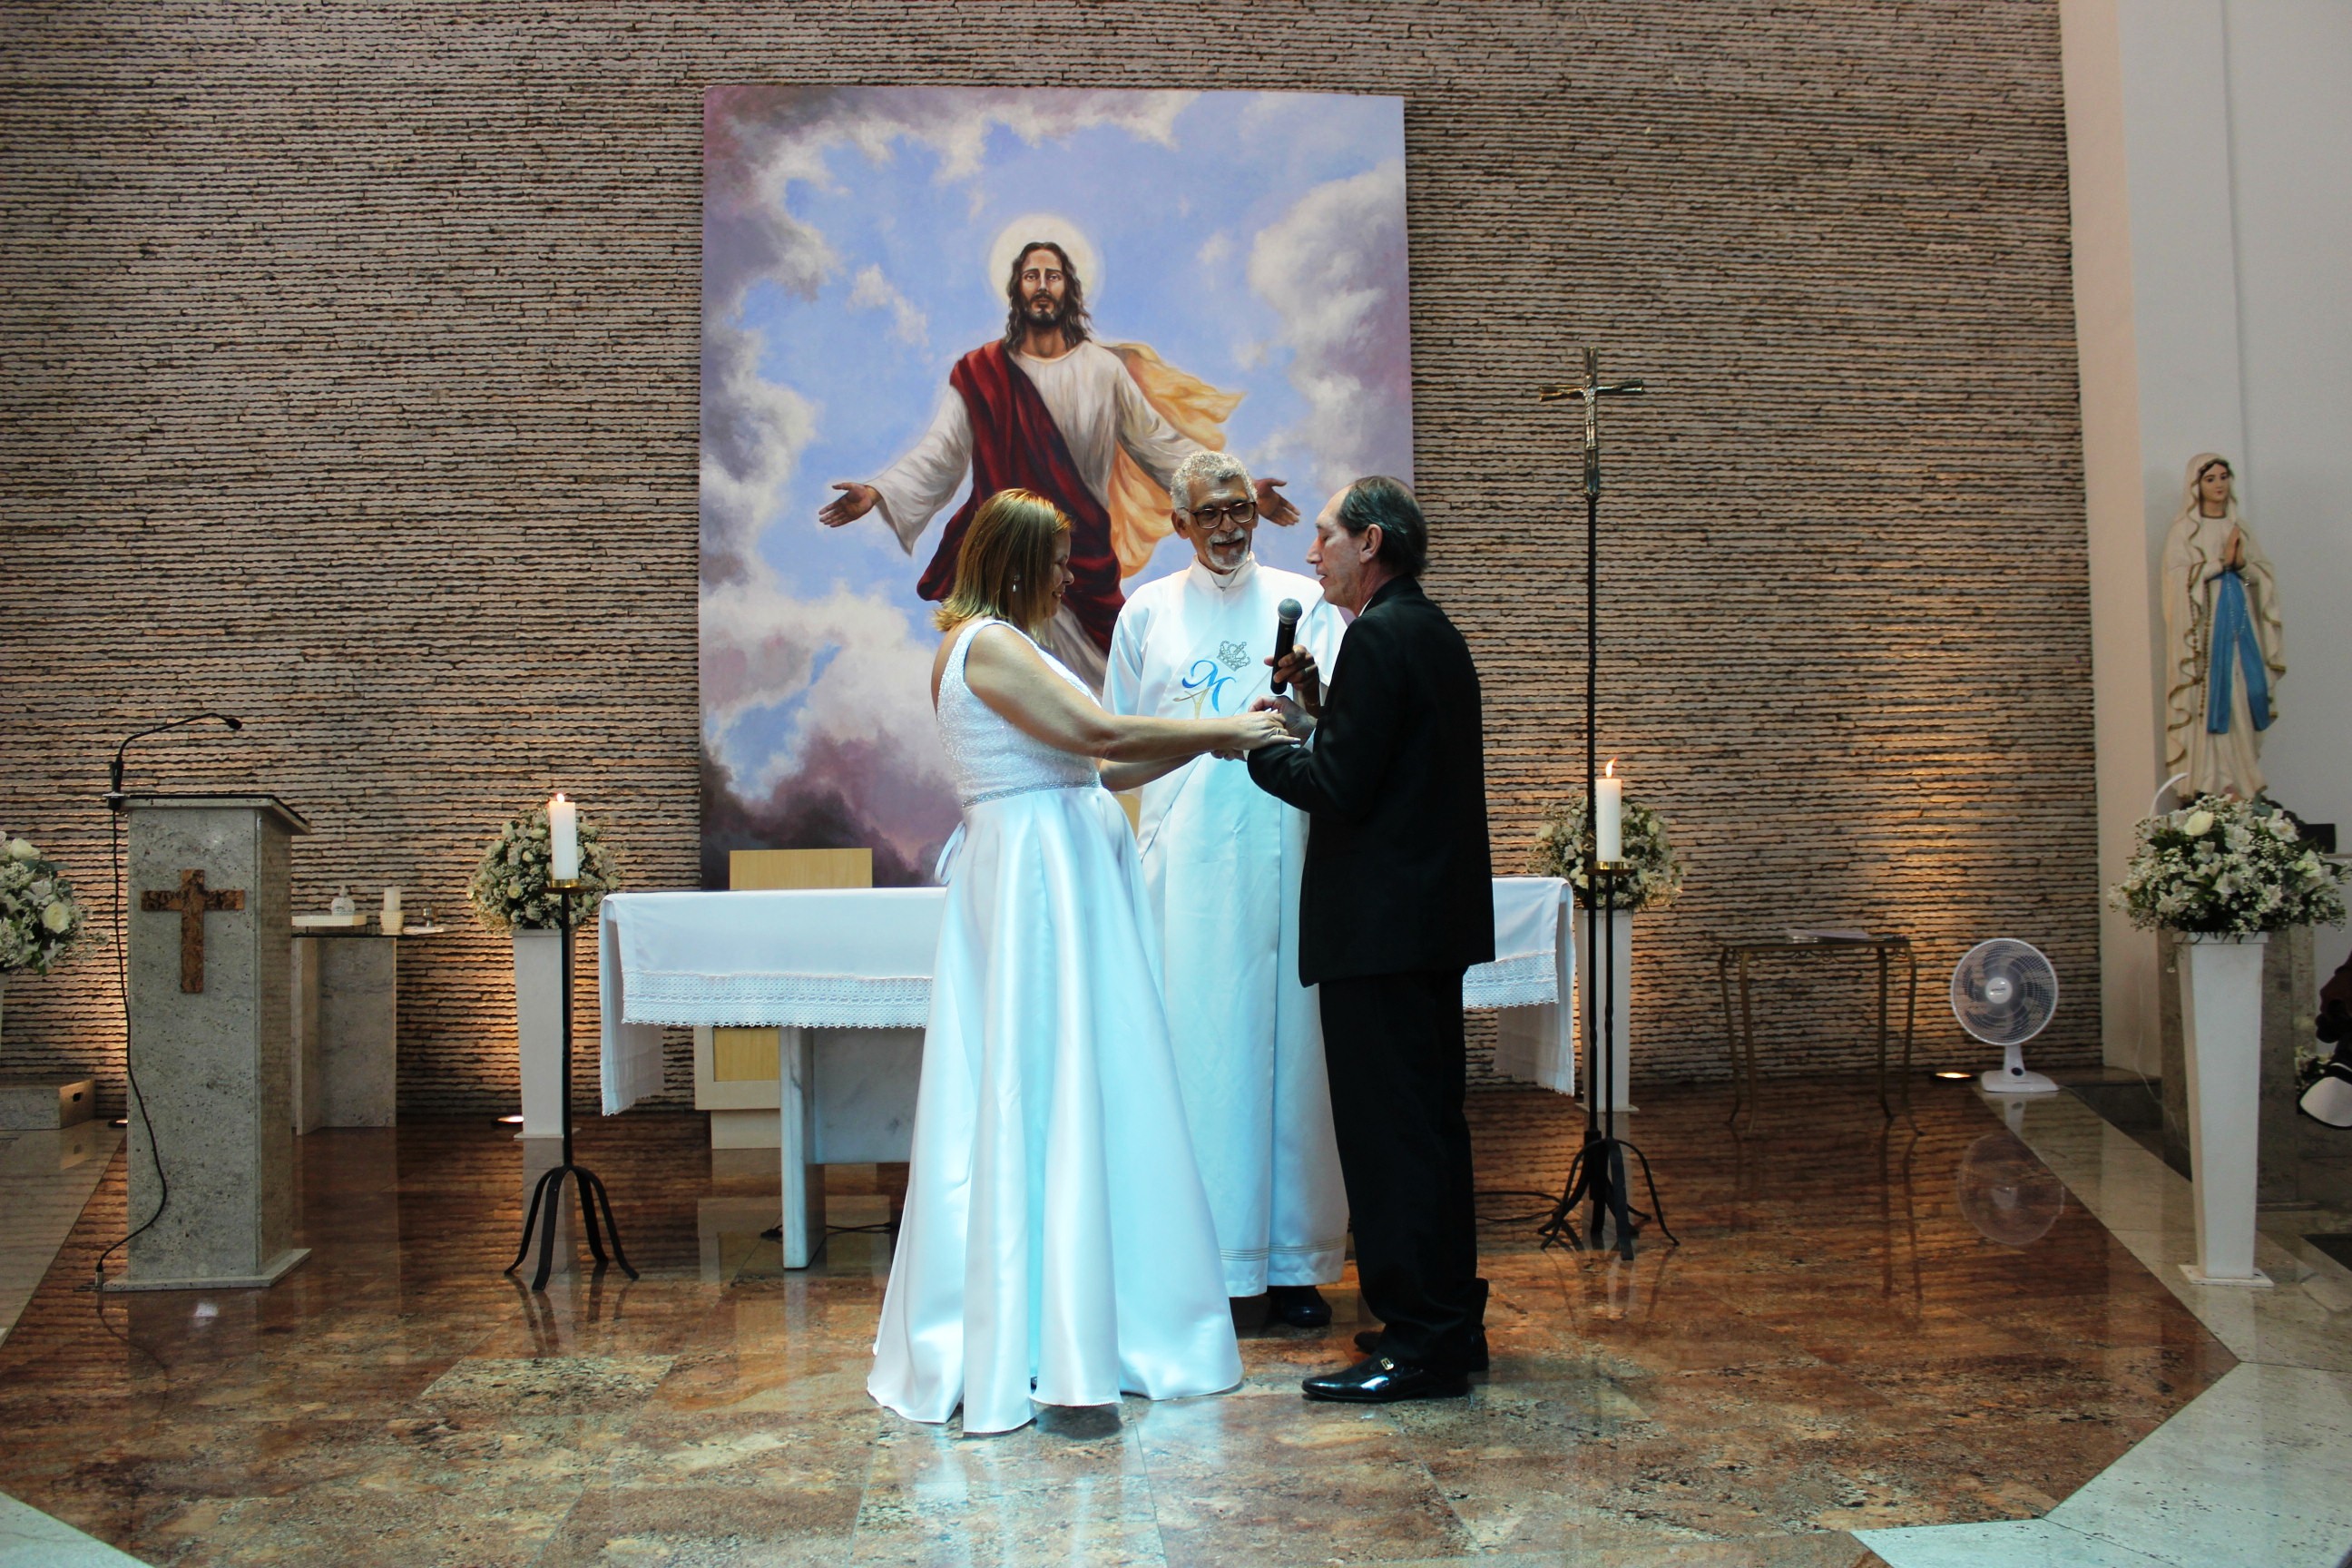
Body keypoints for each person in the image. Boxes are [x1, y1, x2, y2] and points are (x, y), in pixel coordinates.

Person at [867, 487, 1288, 1436]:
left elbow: (1108, 766)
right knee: (1039, 1088)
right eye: (1058, 562)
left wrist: (1215, 739)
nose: (1069, 577)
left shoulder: (1016, 646)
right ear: (1019, 563)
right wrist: (1223, 729)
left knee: (1079, 1089)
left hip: (1056, 876)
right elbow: (1101, 737)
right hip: (1037, 886)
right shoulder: (987, 645)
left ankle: (1087, 1316)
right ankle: (1044, 1338)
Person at [1244, 476, 1494, 1404]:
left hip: (1381, 931)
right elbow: (1385, 761)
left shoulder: (1381, 636)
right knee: (1428, 1132)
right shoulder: (1426, 630)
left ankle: (1419, 1344)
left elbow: (1339, 789)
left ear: (1372, 542)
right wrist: (1317, 712)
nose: (1313, 554)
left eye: (1326, 536)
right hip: (1420, 926)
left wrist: (1259, 746)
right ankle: (1447, 1323)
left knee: (1392, 1141)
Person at [1103, 450, 1349, 1327]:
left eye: (1239, 508)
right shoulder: (1147, 611)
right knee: (1201, 1059)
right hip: (1188, 870)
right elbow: (1116, 745)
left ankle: (1293, 1265)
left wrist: (1310, 702)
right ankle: (1207, 1265)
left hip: (1287, 849)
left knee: (1294, 1060)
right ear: (1178, 524)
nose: (1228, 528)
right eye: (1209, 513)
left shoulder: (1307, 603)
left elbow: (1343, 727)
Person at [819, 239, 1294, 687]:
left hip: (1081, 560)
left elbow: (1159, 445)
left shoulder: (1102, 370)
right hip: (1008, 564)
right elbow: (940, 453)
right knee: (1012, 685)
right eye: (1032, 276)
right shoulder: (980, 372)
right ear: (1016, 288)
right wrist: (878, 491)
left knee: (1103, 688)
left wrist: (1240, 489)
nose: (1042, 286)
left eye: (1053, 276)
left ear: (1070, 288)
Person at [2161, 453, 2285, 799]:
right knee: (2211, 697)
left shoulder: (2239, 528)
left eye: (2223, 477)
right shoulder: (2185, 531)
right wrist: (2219, 564)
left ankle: (2244, 780)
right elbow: (2175, 581)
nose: (2219, 484)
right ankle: (2210, 782)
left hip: (2240, 628)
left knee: (2247, 694)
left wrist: (2241, 565)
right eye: (2210, 478)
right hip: (2205, 636)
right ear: (2196, 486)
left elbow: (2258, 580)